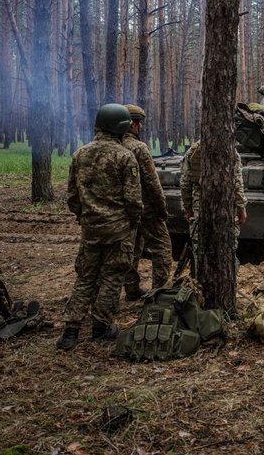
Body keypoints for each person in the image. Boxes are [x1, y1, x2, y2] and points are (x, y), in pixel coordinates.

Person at [57, 104, 142, 351]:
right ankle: (101, 327)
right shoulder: (125, 156)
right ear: (121, 128)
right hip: (118, 230)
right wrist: (132, 224)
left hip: (91, 229)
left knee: (85, 278)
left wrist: (86, 217)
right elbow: (134, 201)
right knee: (112, 277)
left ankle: (70, 331)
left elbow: (72, 196)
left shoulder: (80, 154)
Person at [122, 104, 174, 299]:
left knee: (132, 249)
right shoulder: (138, 148)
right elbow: (152, 183)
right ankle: (158, 292)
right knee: (162, 247)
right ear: (132, 125)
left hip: (123, 211)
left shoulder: (113, 145)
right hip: (146, 209)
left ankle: (131, 290)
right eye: (138, 123)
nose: (140, 127)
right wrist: (161, 208)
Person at [179, 137, 247, 274]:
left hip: (200, 207)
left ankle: (200, 283)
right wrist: (241, 208)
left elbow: (185, 183)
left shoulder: (193, 151)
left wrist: (188, 209)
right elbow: (236, 183)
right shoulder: (230, 151)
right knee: (227, 248)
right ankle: (227, 284)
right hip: (225, 206)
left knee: (200, 250)